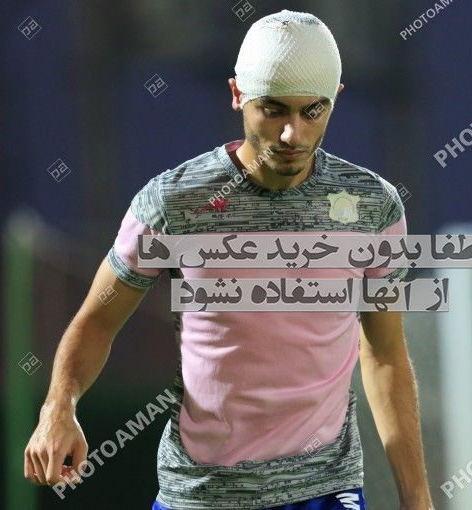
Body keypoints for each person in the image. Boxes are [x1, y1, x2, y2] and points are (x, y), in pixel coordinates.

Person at [24, 9, 434, 510]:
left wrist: (418, 499)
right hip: (200, 495)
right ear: (237, 94)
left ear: (336, 100)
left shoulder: (374, 206)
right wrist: (58, 407)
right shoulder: (173, 203)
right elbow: (97, 320)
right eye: (274, 110)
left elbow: (385, 353)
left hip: (326, 493)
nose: (293, 134)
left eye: (312, 111)